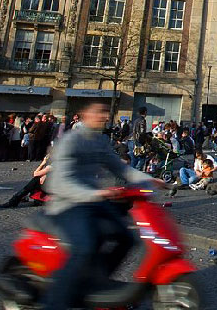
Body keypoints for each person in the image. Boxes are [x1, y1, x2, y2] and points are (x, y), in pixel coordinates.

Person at [39, 101, 157, 310]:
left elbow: (120, 167)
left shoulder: (100, 141)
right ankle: (54, 302)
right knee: (85, 247)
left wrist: (150, 179)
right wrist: (96, 193)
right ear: (84, 115)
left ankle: (98, 281)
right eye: (99, 112)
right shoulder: (70, 140)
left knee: (127, 237)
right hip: (68, 204)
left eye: (105, 113)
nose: (104, 116)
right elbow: (59, 182)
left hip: (92, 200)